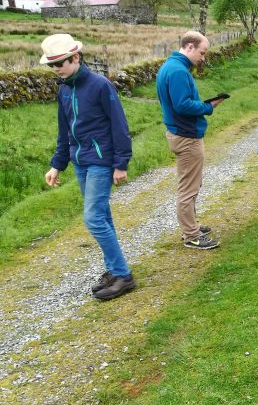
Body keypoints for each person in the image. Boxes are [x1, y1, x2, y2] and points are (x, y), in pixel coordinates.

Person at [42, 33, 136, 301]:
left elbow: (119, 126)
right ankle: (114, 270)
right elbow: (65, 132)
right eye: (52, 65)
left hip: (101, 161)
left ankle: (123, 275)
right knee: (103, 217)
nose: (57, 69)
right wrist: (57, 164)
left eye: (60, 63)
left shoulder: (100, 85)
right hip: (80, 162)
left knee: (93, 218)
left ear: (76, 57)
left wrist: (121, 164)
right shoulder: (64, 89)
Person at [156, 30, 224, 249]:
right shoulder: (177, 71)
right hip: (186, 136)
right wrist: (207, 107)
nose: (202, 58)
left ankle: (191, 225)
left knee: (192, 183)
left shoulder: (171, 66)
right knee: (188, 188)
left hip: (181, 132)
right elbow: (182, 105)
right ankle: (191, 235)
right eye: (202, 53)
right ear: (190, 47)